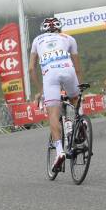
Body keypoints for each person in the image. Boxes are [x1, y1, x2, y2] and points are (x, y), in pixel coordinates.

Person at [28, 17, 83, 172]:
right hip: (68, 70)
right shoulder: (69, 38)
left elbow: (31, 69)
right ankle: (82, 122)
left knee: (53, 114)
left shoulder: (37, 40)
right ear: (59, 27)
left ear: (44, 29)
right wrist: (80, 87)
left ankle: (59, 151)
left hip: (49, 74)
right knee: (75, 98)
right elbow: (78, 69)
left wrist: (41, 91)